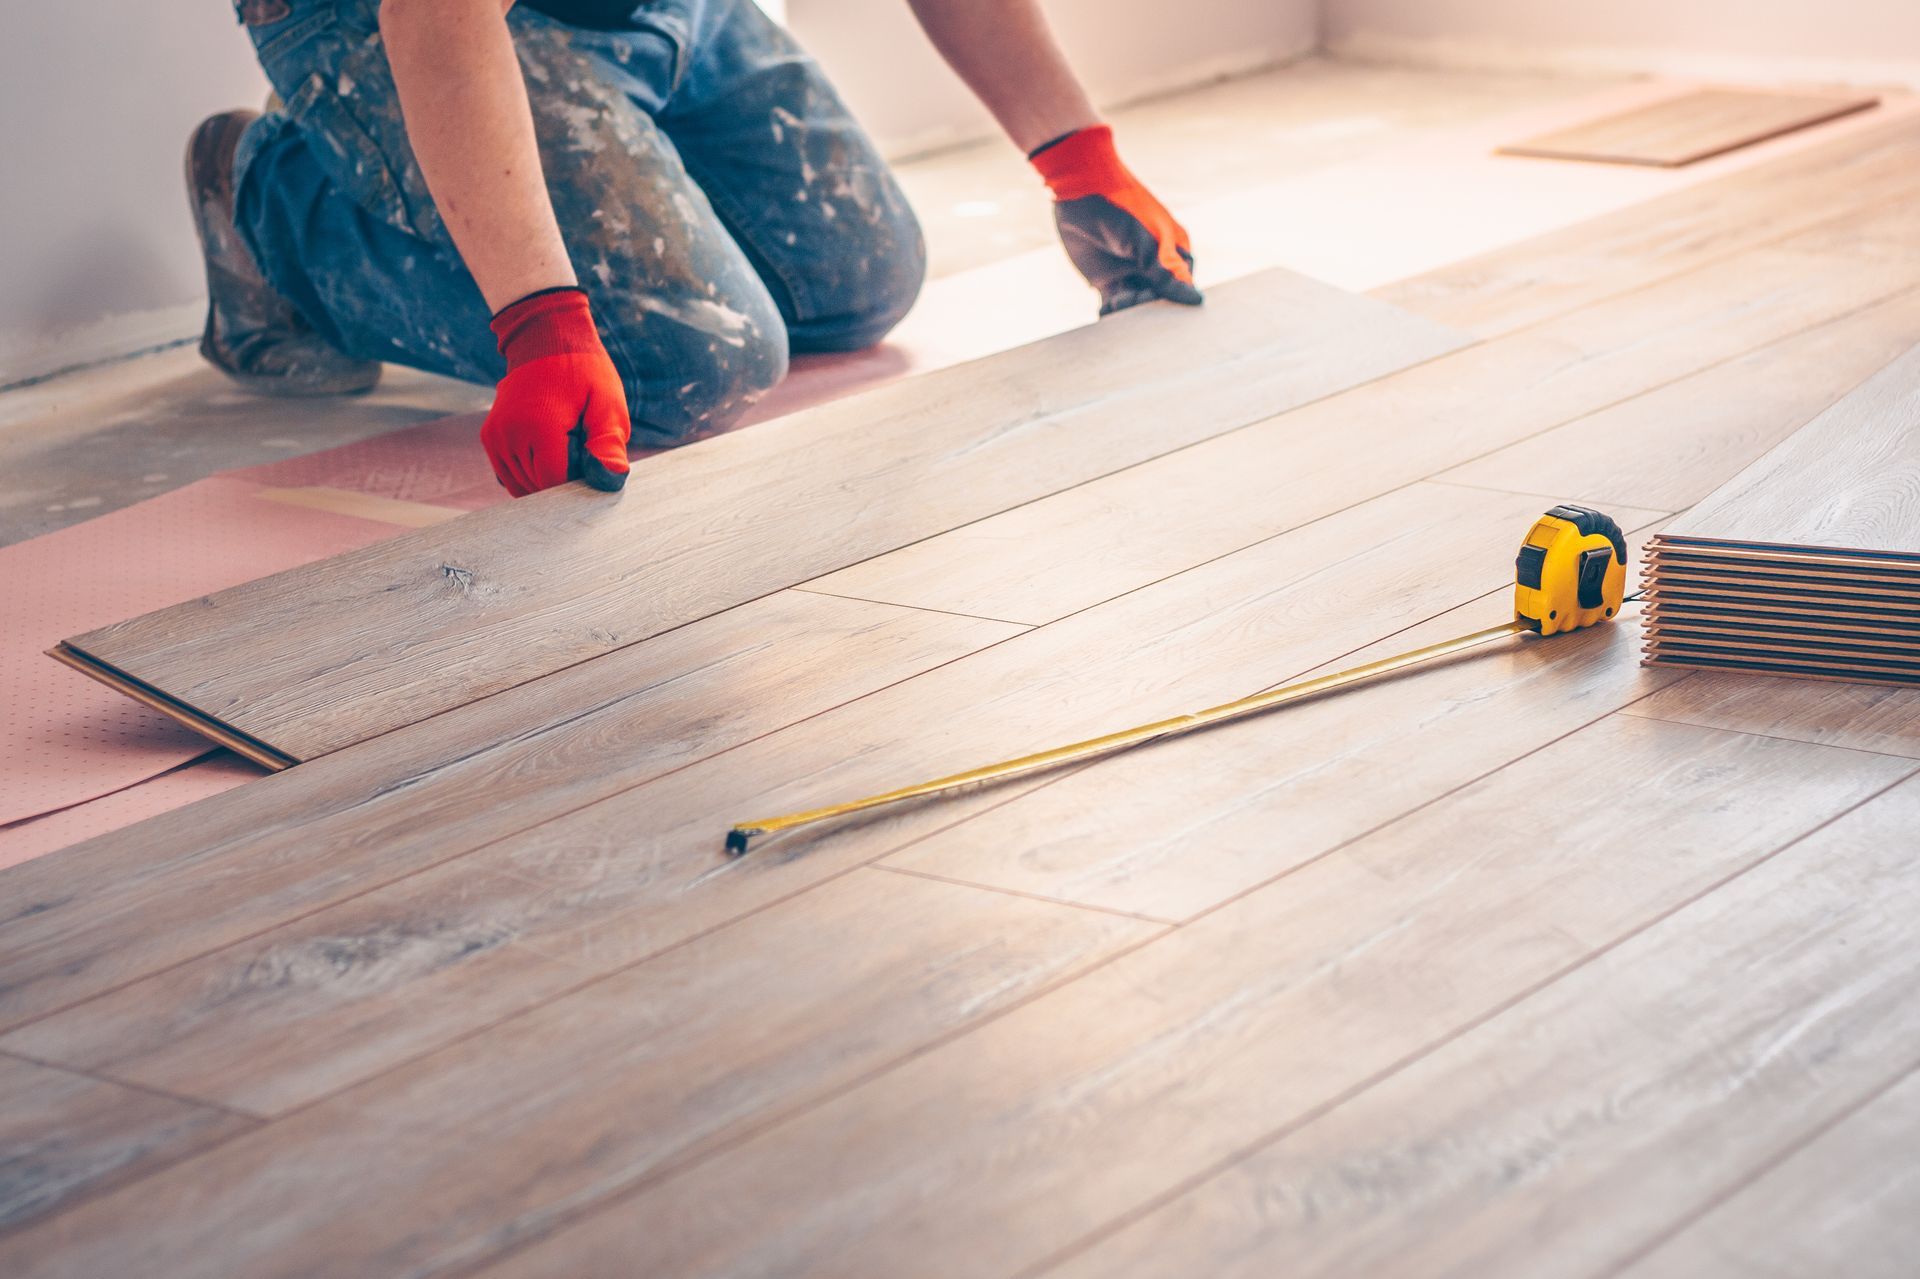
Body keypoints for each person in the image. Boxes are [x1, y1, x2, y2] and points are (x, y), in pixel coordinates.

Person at [191, 0, 1202, 496]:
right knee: (688, 364)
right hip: (383, 16)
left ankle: (591, 154)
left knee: (858, 284)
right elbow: (437, 18)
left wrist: (1082, 159)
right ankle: (271, 200)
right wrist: (543, 323)